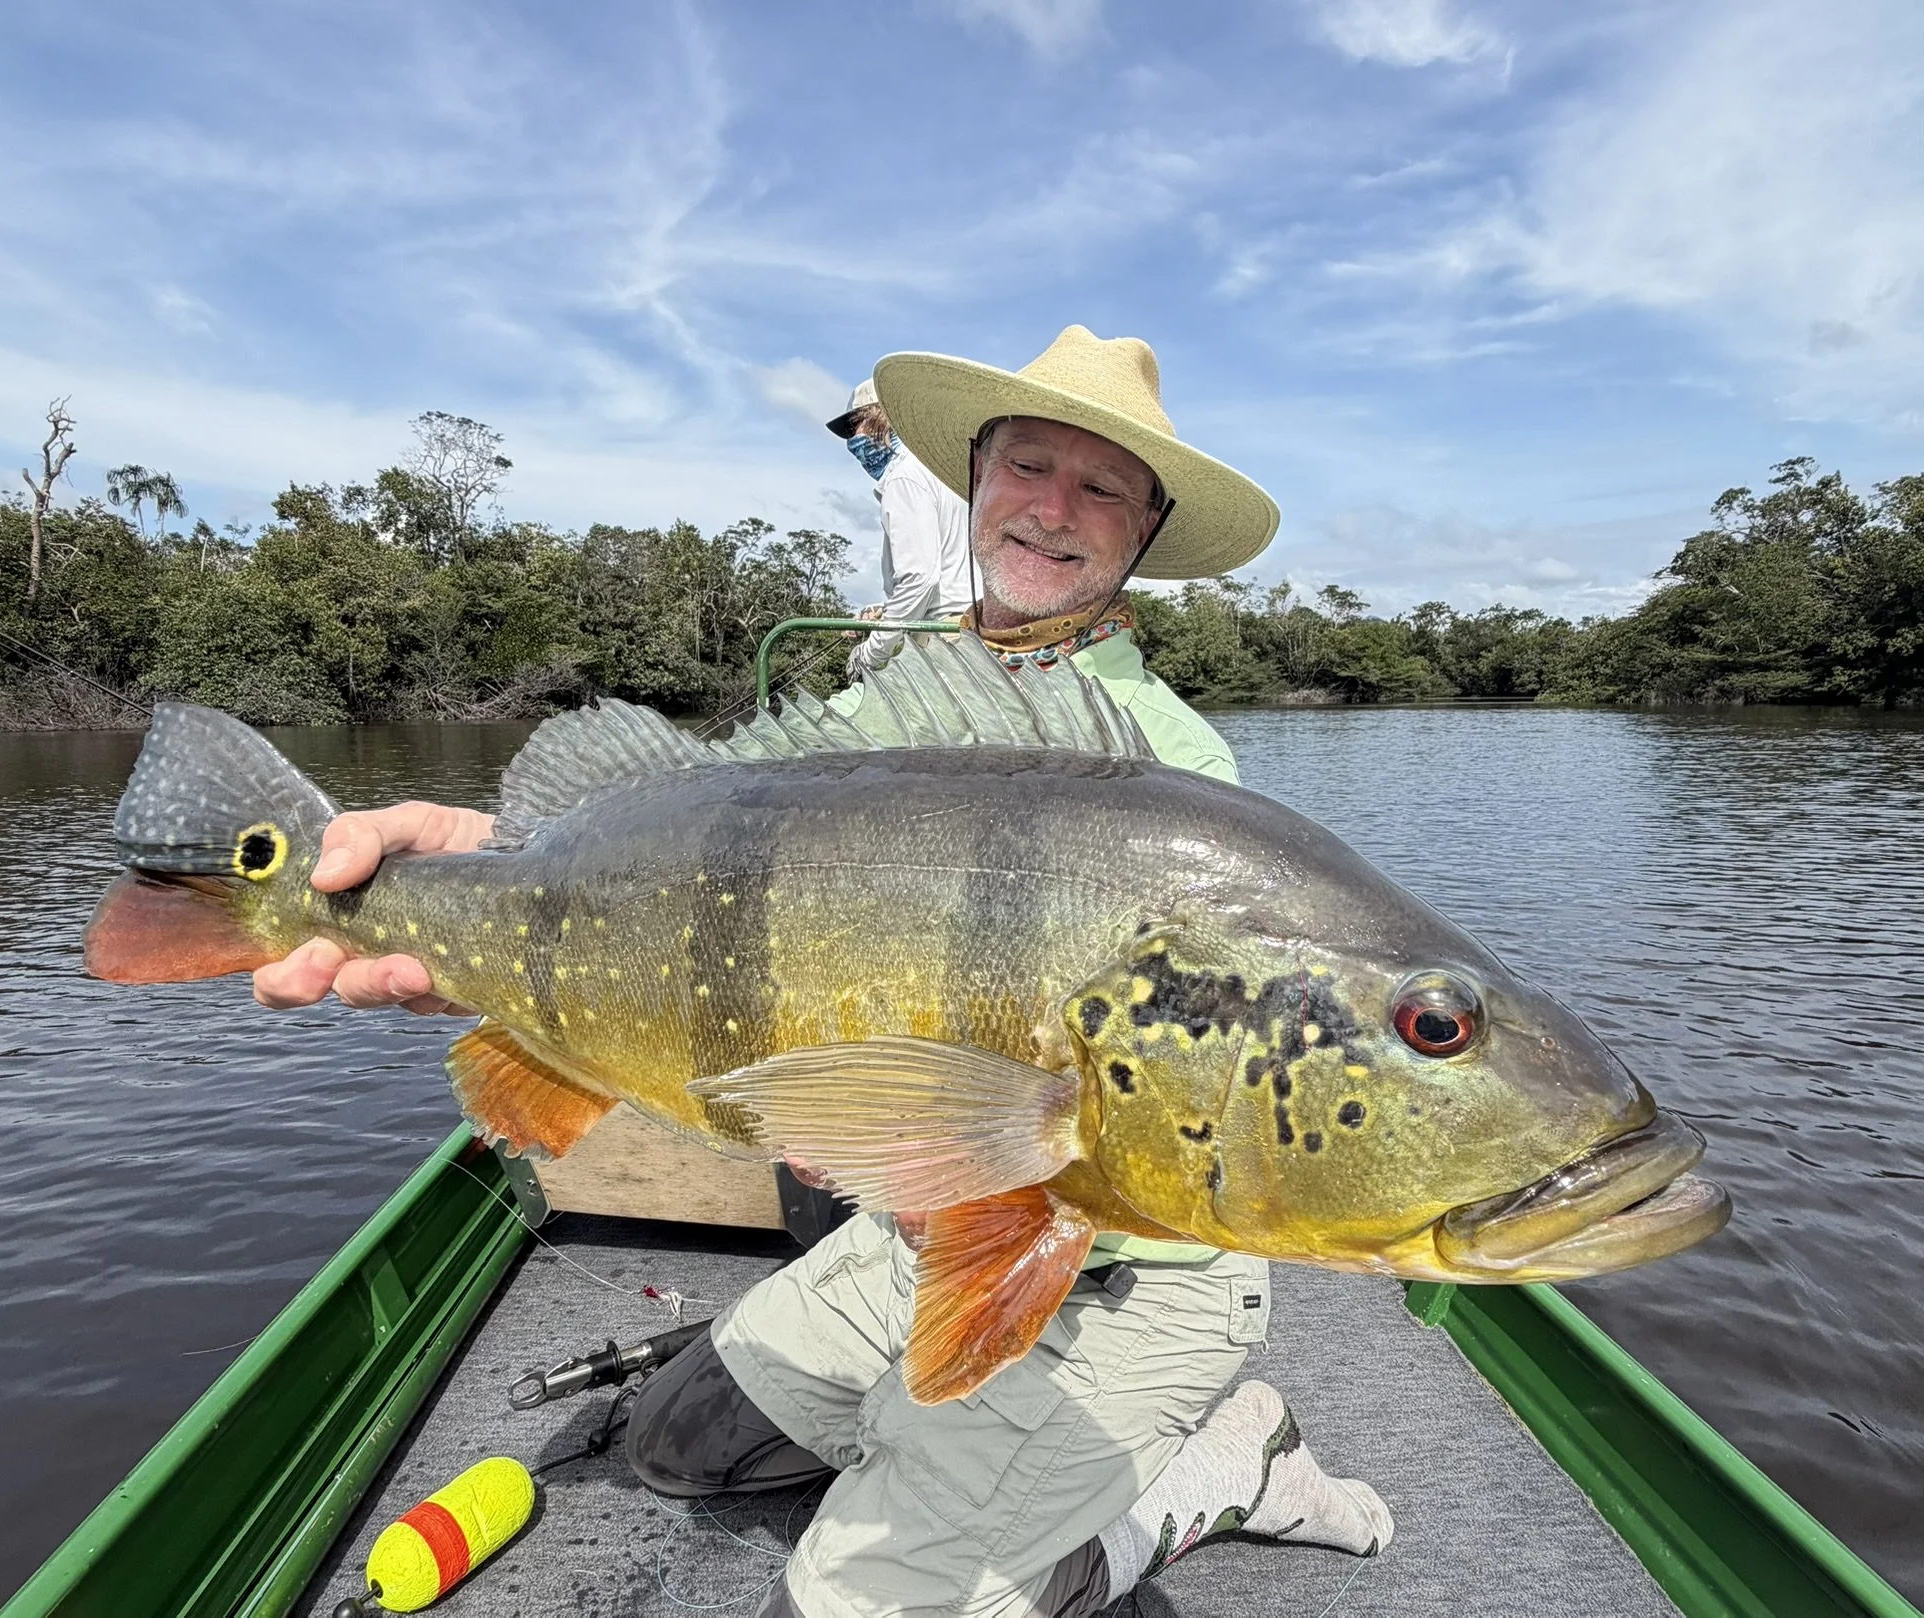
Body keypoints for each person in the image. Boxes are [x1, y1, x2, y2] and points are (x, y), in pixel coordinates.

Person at [250, 325, 1392, 1618]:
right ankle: (1005, 1466)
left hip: (1118, 1272)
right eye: (1029, 466)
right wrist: (489, 887)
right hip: (924, 1232)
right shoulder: (880, 720)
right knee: (672, 1449)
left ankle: (1200, 1473)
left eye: (1103, 486)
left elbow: (1091, 1131)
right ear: (975, 480)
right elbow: (688, 889)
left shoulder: (1177, 790)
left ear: (1146, 528)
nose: (1055, 509)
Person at [826, 377, 974, 677]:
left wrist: (869, 653)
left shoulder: (903, 479)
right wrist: (887, 609)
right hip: (969, 627)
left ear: (883, 418)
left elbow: (920, 578)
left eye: (856, 424)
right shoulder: (941, 470)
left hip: (943, 635)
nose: (853, 438)